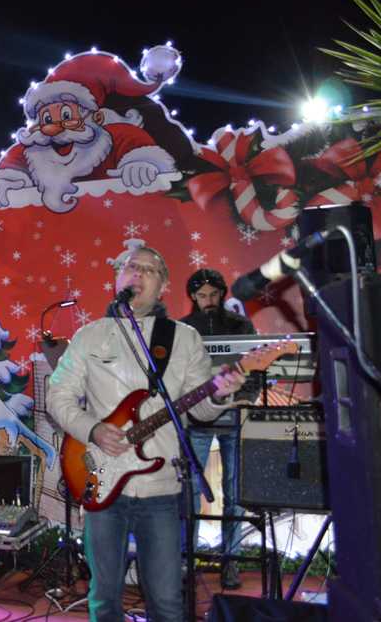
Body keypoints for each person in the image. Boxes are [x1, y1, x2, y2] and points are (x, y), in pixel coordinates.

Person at [46, 247, 245, 622]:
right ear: (117, 278)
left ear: (164, 285)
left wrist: (220, 392)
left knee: (168, 603)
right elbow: (59, 396)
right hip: (101, 483)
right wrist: (92, 429)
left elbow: (200, 409)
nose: (136, 274)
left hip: (162, 489)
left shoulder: (183, 339)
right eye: (129, 267)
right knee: (104, 600)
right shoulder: (89, 336)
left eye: (148, 270)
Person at [180, 268, 257, 590]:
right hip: (197, 420)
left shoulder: (240, 325)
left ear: (222, 294)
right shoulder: (184, 330)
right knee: (189, 493)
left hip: (233, 418)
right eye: (202, 296)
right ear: (193, 298)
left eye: (213, 295)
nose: (208, 301)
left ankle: (232, 562)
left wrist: (245, 398)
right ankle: (186, 560)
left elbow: (255, 368)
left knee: (234, 492)